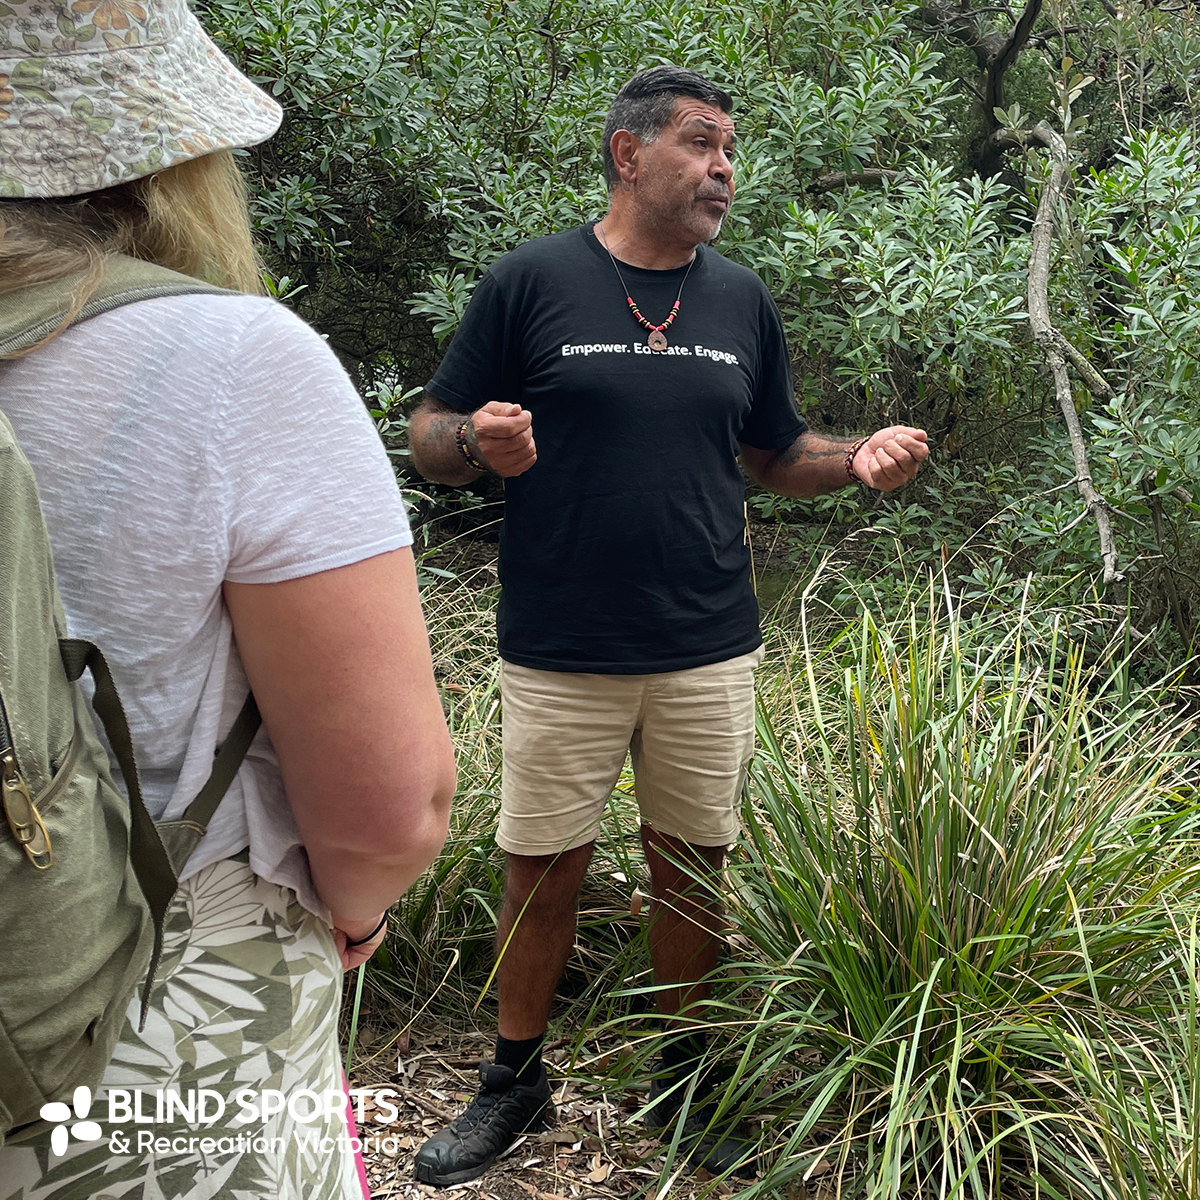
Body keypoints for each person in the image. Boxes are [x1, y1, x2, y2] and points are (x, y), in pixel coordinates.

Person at [407, 64, 929, 1185]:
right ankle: (513, 1080)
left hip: (706, 643)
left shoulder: (740, 299)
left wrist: (858, 461)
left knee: (693, 869)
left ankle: (685, 1080)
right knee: (541, 869)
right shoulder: (532, 281)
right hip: (561, 642)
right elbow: (430, 430)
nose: (724, 168)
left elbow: (779, 457)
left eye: (730, 150)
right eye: (701, 144)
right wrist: (472, 446)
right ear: (628, 154)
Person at [0, 1, 456, 1196]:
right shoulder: (225, 361)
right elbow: (389, 810)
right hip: (141, 1020)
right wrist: (351, 911)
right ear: (165, 148)